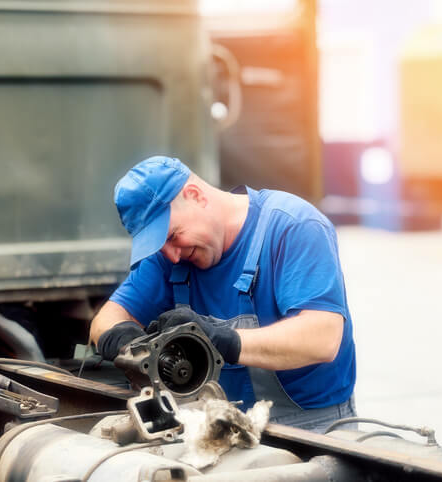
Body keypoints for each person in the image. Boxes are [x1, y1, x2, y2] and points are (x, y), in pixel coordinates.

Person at [89, 156, 356, 432]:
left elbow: (322, 338)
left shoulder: (293, 227)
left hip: (311, 430)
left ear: (195, 196)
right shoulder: (169, 255)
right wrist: (125, 339)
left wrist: (222, 340)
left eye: (171, 236)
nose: (171, 254)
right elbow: (104, 319)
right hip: (218, 428)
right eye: (158, 246)